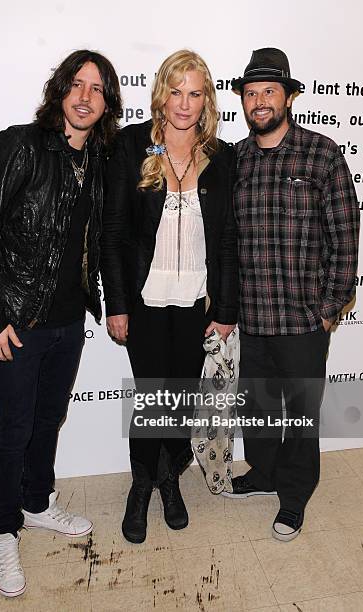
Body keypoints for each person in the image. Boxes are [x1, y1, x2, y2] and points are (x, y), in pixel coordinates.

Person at [0, 49, 121, 596]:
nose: (84, 97)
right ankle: (4, 527)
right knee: (15, 429)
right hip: (17, 324)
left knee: (49, 420)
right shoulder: (18, 146)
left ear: (106, 104)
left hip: (69, 322)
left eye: (97, 90)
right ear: (59, 91)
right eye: (77, 85)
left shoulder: (98, 160)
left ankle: (36, 502)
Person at [101, 49, 238, 544]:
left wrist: (225, 309)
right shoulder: (132, 144)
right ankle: (142, 487)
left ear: (206, 99)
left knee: (180, 401)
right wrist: (115, 303)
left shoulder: (221, 157)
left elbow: (227, 239)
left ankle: (169, 481)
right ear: (162, 92)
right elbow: (113, 231)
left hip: (195, 302)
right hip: (145, 300)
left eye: (195, 93)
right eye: (176, 91)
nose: (184, 103)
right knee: (152, 397)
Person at [225, 48, 360, 541]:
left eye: (269, 92)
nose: (259, 101)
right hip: (253, 318)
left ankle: (294, 496)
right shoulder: (235, 158)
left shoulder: (322, 153)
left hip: (304, 321)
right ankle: (262, 474)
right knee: (257, 408)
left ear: (289, 96)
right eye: (251, 93)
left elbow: (345, 237)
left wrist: (329, 308)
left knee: (301, 414)